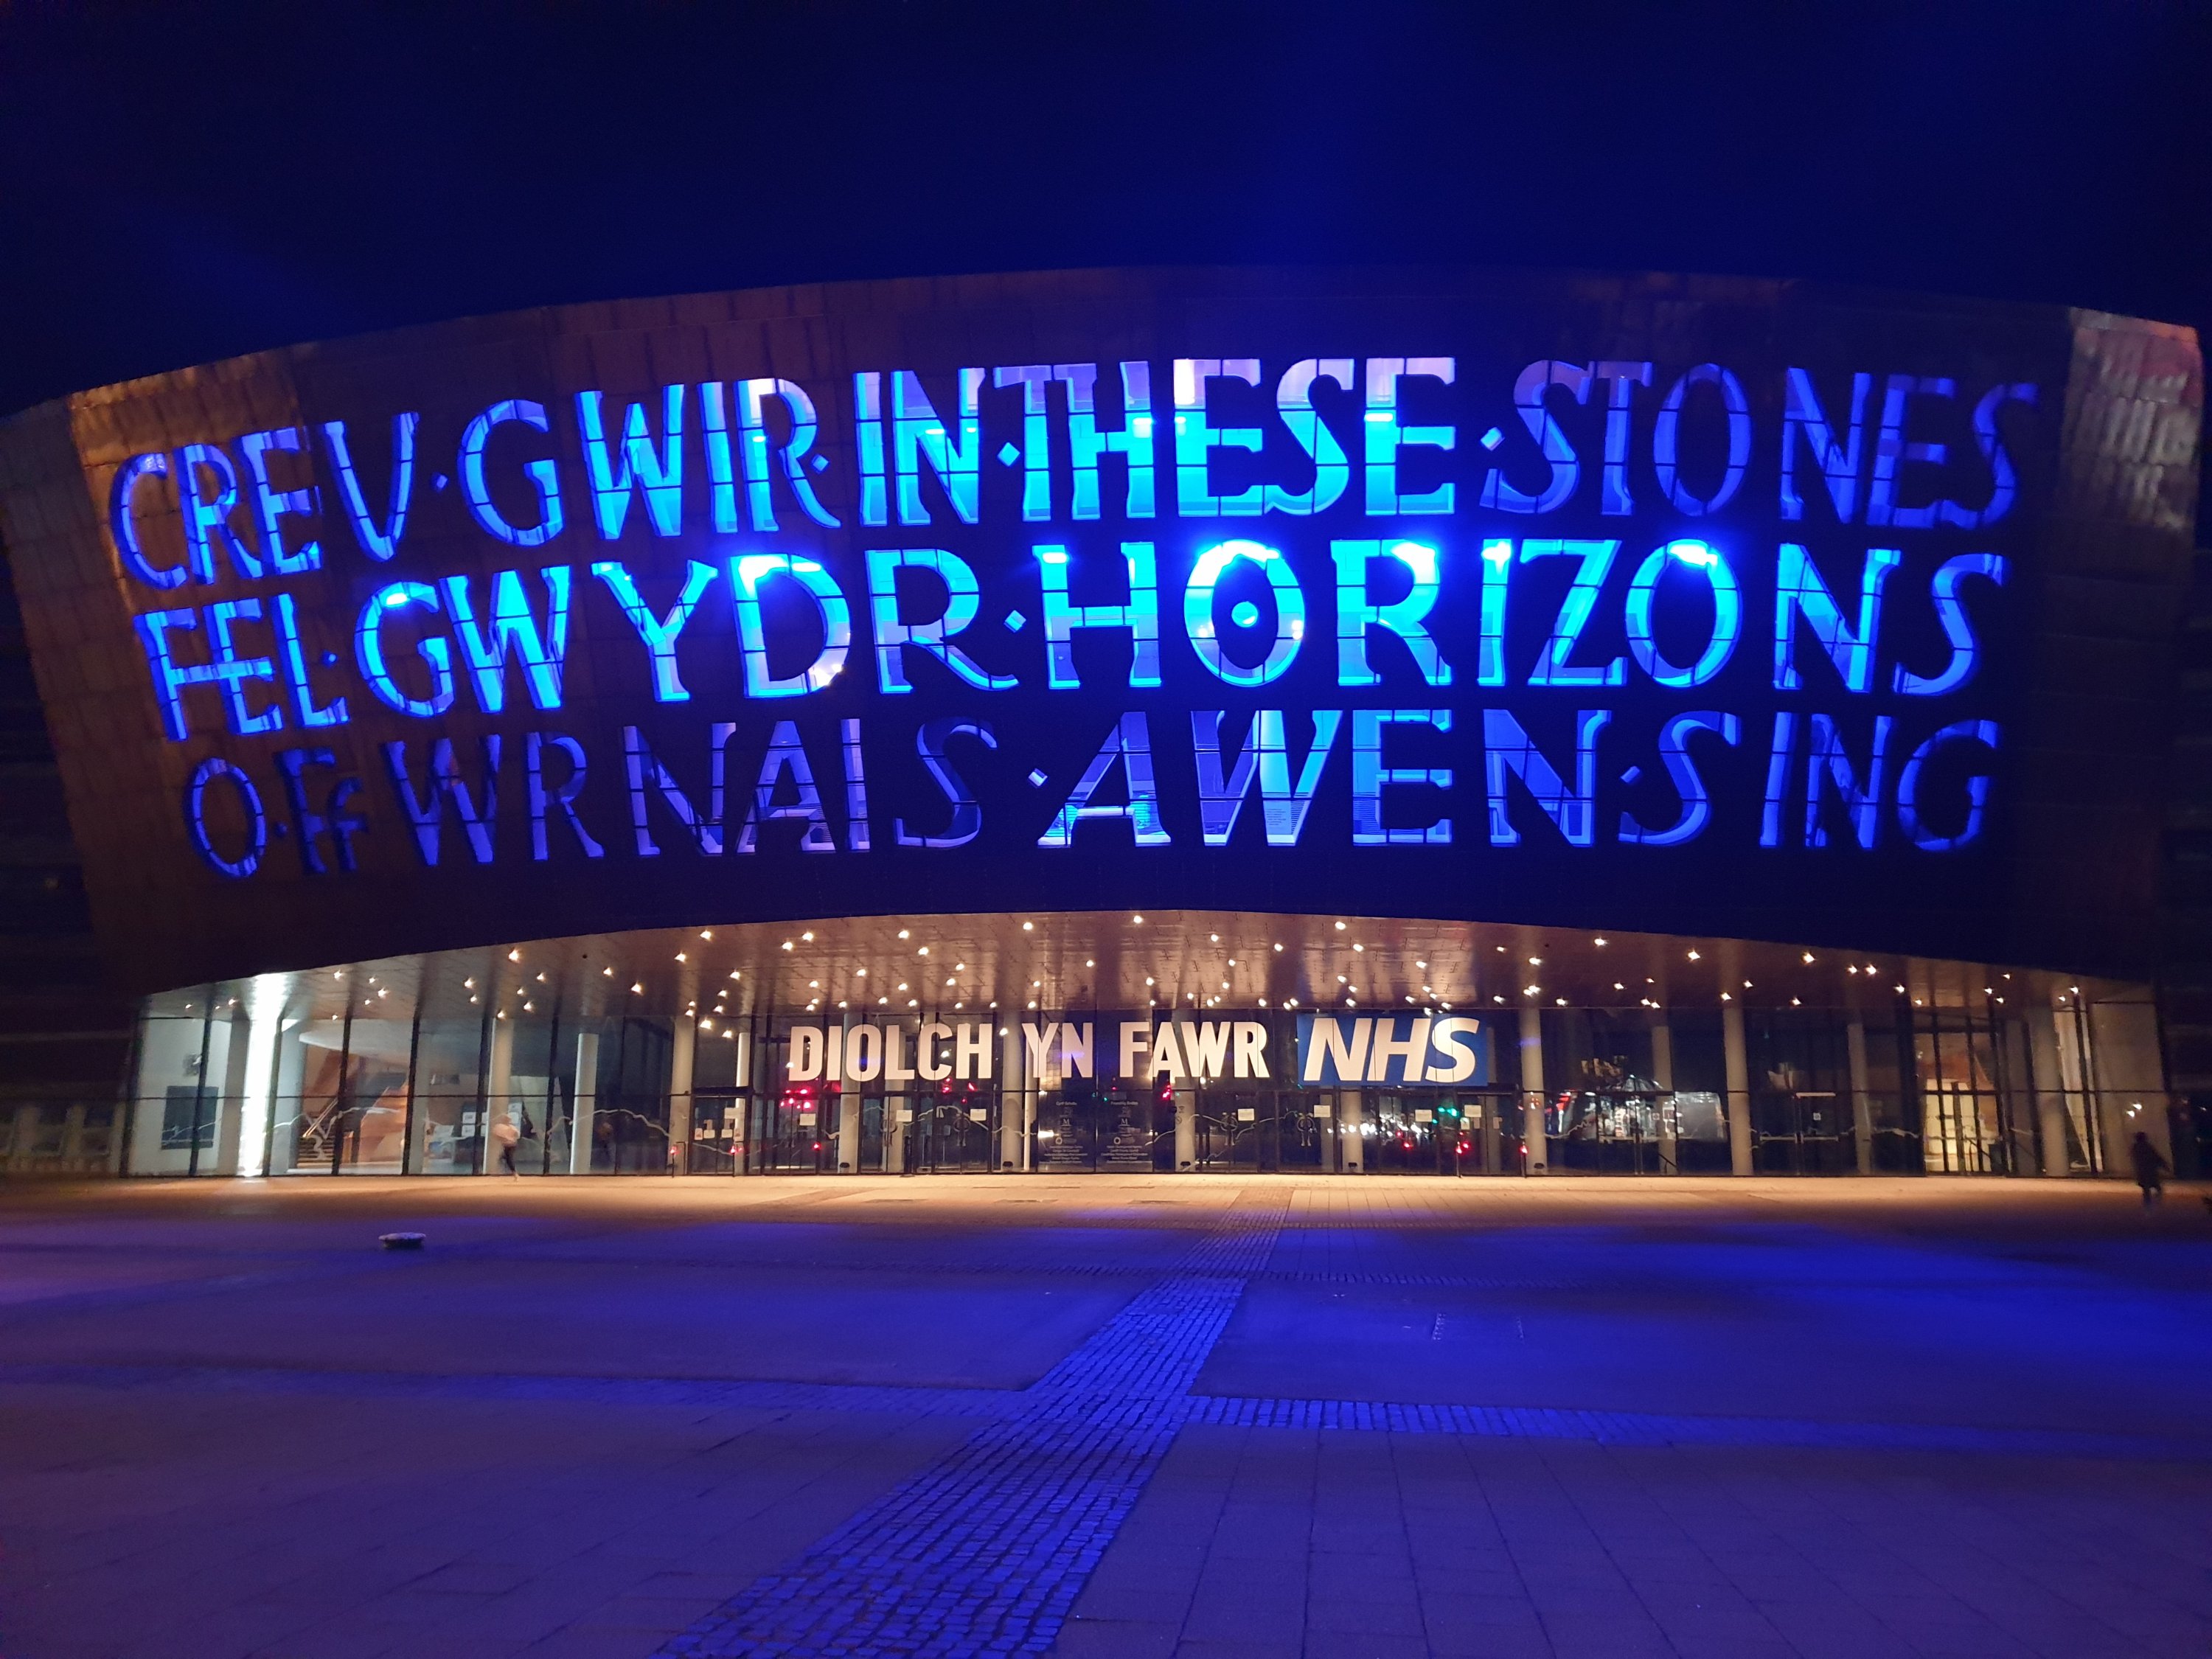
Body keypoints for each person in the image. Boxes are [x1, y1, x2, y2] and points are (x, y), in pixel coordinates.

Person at [2129, 1130, 2168, 1207]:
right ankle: (2155, 1201)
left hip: (2141, 1171)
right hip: (2150, 1170)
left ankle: (2147, 1204)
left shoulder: (2135, 1148)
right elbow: (2155, 1157)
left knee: (2146, 1188)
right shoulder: (2147, 1147)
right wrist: (2164, 1165)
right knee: (2156, 1186)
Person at [490, 1112, 522, 1177]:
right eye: (507, 1119)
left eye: (508, 1119)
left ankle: (514, 1173)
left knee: (509, 1158)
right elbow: (495, 1134)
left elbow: (517, 1135)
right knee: (504, 1158)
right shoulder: (500, 1126)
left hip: (511, 1145)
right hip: (507, 1145)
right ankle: (501, 1171)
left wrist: (509, 1137)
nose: (508, 1121)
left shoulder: (511, 1128)